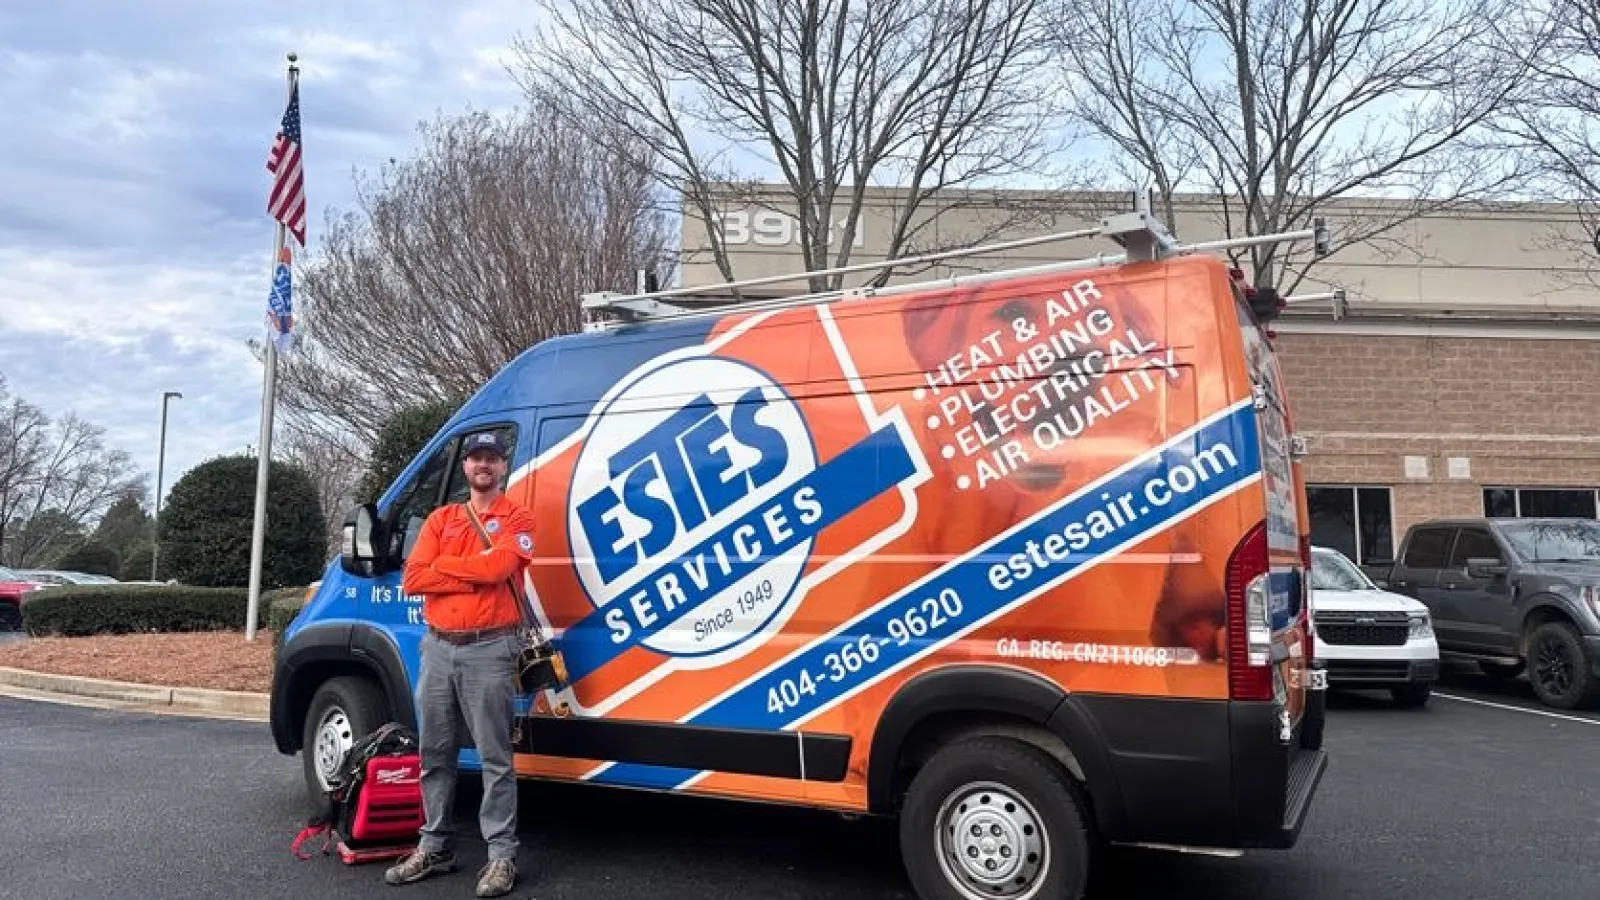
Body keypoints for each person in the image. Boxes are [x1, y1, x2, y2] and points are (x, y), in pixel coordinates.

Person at [385, 430, 535, 898]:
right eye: (475, 458)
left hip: (491, 648)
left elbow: (498, 569)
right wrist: (473, 571)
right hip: (437, 648)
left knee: (495, 758)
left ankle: (501, 856)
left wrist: (445, 566)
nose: (483, 465)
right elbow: (413, 578)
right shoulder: (441, 518)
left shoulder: (519, 517)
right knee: (434, 753)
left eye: (491, 457)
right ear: (466, 467)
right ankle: (434, 847)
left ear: (503, 466)